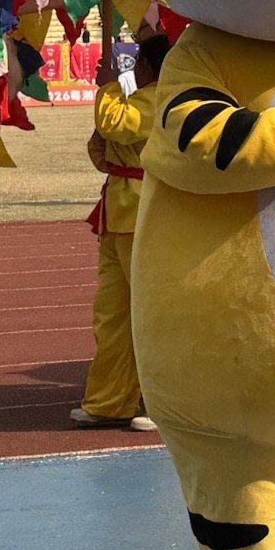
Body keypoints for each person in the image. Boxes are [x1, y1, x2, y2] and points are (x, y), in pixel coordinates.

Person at [70, 32, 171, 432]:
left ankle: (163, 403)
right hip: (118, 214)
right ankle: (110, 400)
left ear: (149, 66)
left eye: (140, 62)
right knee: (112, 315)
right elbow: (104, 150)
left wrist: (109, 85)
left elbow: (118, 124)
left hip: (144, 212)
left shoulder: (162, 97)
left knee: (151, 314)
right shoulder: (141, 97)